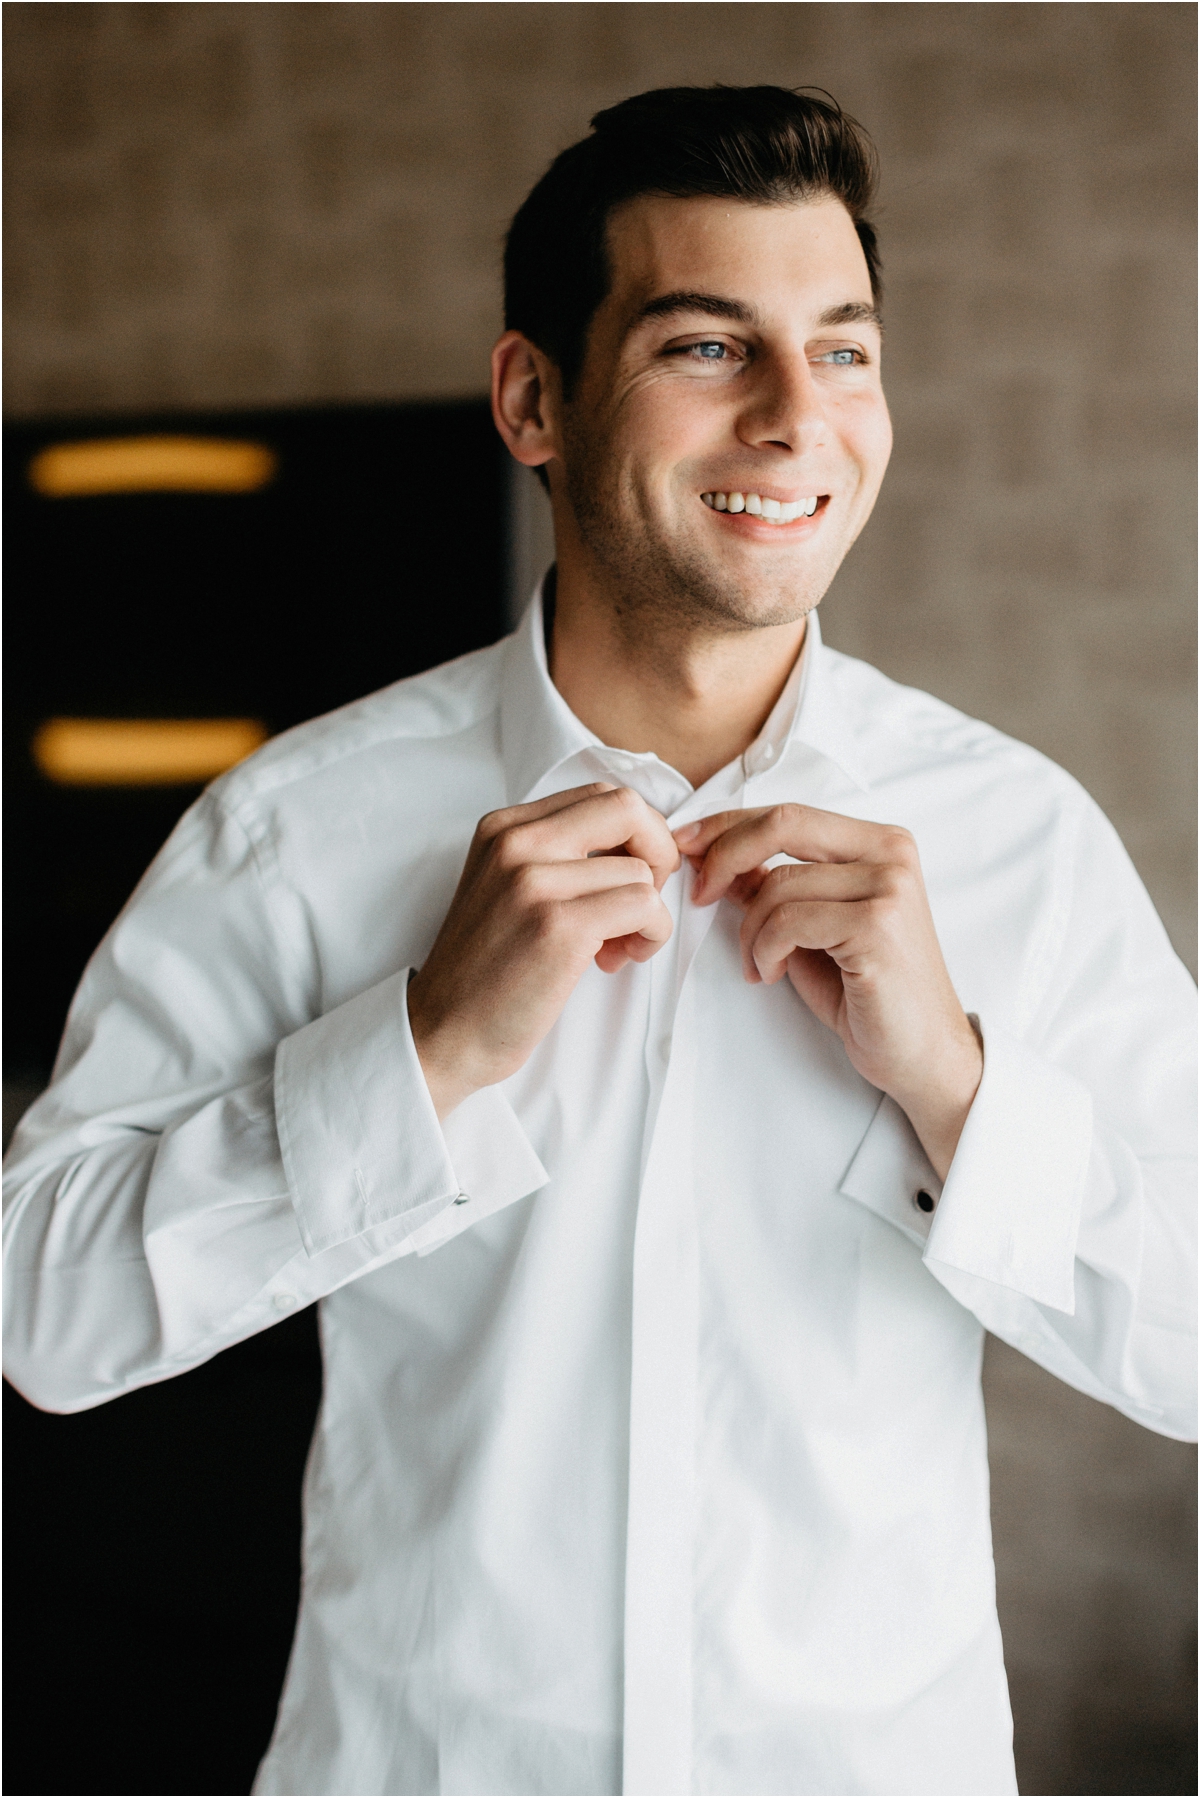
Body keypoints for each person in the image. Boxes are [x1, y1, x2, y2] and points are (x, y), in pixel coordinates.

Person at [3, 85, 1194, 1798]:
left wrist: (954, 1076)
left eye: (844, 351)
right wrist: (423, 1052)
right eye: (712, 347)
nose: (800, 420)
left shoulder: (1016, 840)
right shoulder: (299, 826)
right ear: (533, 397)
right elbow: (43, 1308)